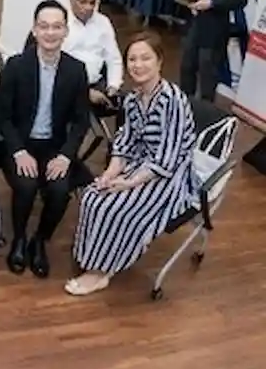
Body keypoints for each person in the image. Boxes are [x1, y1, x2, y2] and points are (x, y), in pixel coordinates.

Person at [68, 32, 198, 296]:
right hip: (140, 165)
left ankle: (102, 271)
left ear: (159, 61)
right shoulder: (132, 99)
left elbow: (166, 160)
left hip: (169, 176)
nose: (138, 65)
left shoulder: (172, 100)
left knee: (118, 206)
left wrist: (128, 183)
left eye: (145, 58)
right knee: (93, 194)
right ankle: (90, 258)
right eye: (132, 59)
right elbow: (124, 142)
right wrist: (110, 173)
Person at [0, 0, 92, 279]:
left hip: (54, 146)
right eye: (44, 26)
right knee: (26, 185)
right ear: (34, 30)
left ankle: (40, 240)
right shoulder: (16, 66)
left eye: (57, 27)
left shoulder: (76, 70)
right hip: (19, 143)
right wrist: (18, 151)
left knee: (60, 190)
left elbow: (81, 121)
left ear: (65, 31)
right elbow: (2, 116)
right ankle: (19, 239)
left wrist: (66, 155)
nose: (50, 33)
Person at [62, 0, 122, 111]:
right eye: (82, 1)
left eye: (92, 3)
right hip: (65, 88)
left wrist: (113, 86)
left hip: (96, 84)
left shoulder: (103, 22)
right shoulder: (60, 22)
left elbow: (114, 58)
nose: (88, 7)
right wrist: (84, 93)